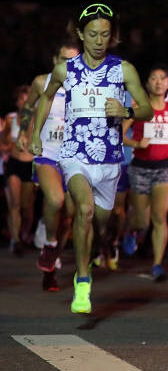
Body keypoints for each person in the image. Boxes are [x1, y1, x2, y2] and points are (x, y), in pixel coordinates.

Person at [28, 3, 153, 314]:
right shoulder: (65, 70)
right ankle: (82, 281)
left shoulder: (123, 69)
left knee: (100, 223)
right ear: (81, 34)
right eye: (93, 34)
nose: (99, 41)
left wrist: (125, 110)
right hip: (74, 154)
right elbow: (46, 97)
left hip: (109, 160)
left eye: (105, 35)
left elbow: (147, 109)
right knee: (83, 211)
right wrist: (35, 134)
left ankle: (97, 249)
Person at [20, 42, 80, 290]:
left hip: (74, 158)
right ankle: (50, 243)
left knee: (69, 216)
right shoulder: (40, 82)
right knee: (55, 200)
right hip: (46, 153)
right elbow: (28, 106)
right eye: (64, 60)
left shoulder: (86, 86)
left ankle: (52, 263)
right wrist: (23, 132)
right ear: (55, 60)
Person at [123, 65, 168, 281]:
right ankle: (132, 230)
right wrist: (136, 143)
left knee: (159, 217)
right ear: (147, 84)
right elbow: (119, 135)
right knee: (142, 222)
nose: (158, 82)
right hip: (140, 168)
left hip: (164, 168)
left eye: (162, 78)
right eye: (154, 78)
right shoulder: (138, 107)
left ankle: (157, 264)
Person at [4, 85, 35, 256]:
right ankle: (15, 240)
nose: (25, 102)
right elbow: (4, 141)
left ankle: (24, 234)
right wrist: (8, 144)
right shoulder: (10, 119)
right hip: (14, 163)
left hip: (29, 165)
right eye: (22, 99)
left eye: (28, 98)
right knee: (14, 204)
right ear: (16, 102)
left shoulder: (37, 117)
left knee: (26, 207)